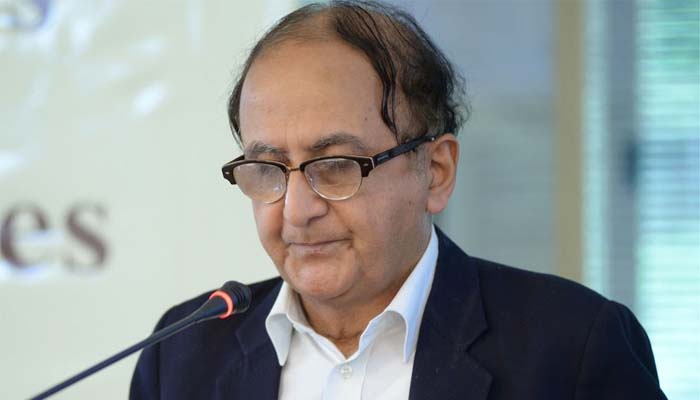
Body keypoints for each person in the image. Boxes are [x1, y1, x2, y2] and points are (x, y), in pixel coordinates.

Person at [130, 1, 667, 399]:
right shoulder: (182, 355)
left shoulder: (571, 349)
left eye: (335, 165)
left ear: (436, 172)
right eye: (269, 169)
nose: (296, 211)